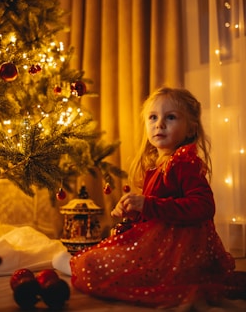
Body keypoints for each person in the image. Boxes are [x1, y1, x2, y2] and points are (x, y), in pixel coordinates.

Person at [70, 86, 246, 308]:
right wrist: (135, 212)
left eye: (170, 117)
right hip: (163, 247)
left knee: (91, 264)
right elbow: (157, 214)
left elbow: (203, 206)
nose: (159, 124)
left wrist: (148, 204)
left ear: (191, 129)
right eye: (153, 117)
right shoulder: (158, 165)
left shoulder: (183, 161)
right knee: (95, 259)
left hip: (178, 254)